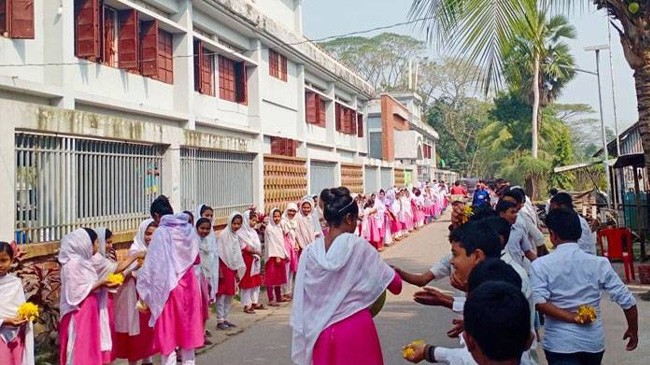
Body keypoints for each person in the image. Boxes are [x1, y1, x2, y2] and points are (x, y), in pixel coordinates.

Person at [291, 187, 402, 365]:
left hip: (320, 331)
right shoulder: (358, 246)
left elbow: (302, 296)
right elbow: (396, 286)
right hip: (357, 329)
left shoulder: (310, 252)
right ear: (349, 218)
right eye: (356, 219)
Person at [531, 208, 638, 365]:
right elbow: (627, 300)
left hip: (559, 344)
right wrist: (633, 329)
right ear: (580, 233)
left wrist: (572, 317)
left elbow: (539, 302)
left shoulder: (540, 265)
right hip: (592, 343)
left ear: (552, 236)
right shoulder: (598, 263)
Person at [405, 260, 533, 365]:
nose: (452, 261)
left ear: (468, 341)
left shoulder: (467, 358)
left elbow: (462, 358)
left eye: (455, 254)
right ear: (529, 339)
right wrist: (427, 351)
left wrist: (427, 351)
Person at [136, 196, 204, 365]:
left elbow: (155, 266)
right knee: (187, 332)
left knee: (169, 335)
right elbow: (196, 259)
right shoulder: (188, 229)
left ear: (157, 216)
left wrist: (145, 289)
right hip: (190, 285)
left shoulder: (162, 232)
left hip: (169, 288)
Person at [59, 228, 119, 365]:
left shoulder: (83, 262)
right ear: (84, 244)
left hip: (89, 310)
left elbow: (88, 285)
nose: (98, 246)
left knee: (90, 347)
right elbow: (75, 292)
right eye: (96, 242)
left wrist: (103, 285)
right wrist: (102, 282)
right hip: (79, 312)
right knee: (80, 349)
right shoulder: (73, 264)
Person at [113, 220, 158, 365]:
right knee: (136, 330)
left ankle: (147, 358)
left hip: (150, 295)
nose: (150, 237)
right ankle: (134, 361)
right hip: (135, 296)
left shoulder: (158, 249)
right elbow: (129, 272)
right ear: (141, 233)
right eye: (148, 233)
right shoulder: (135, 250)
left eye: (154, 234)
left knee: (148, 329)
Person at [0, 241, 34, 365]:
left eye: (4, 260)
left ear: (12, 260)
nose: (0, 265)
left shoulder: (15, 283)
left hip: (16, 334)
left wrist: (26, 316)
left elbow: (21, 307)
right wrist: (5, 321)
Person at [215, 212, 246, 330]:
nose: (236, 226)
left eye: (239, 224)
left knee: (230, 294)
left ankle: (226, 318)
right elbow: (219, 253)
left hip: (232, 268)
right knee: (221, 295)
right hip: (223, 267)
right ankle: (219, 319)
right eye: (234, 223)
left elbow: (236, 254)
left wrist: (237, 269)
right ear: (230, 222)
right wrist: (220, 271)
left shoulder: (235, 236)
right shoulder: (223, 235)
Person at [237, 211, 264, 314]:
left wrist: (257, 253)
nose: (254, 223)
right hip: (247, 259)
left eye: (255, 221)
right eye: (252, 220)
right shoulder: (241, 233)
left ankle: (254, 301)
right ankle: (246, 304)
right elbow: (244, 247)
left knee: (255, 282)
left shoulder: (253, 232)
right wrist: (255, 252)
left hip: (255, 259)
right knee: (247, 282)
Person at [195, 218, 219, 323]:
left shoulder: (209, 240)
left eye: (207, 229)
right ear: (196, 228)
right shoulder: (193, 242)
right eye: (202, 228)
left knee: (205, 304)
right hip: (196, 277)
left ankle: (203, 330)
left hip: (207, 276)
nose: (205, 231)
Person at [264, 208, 289, 307]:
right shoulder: (269, 228)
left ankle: (279, 296)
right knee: (271, 278)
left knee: (279, 277)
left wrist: (284, 254)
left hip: (280, 254)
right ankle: (271, 298)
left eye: (278, 216)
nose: (276, 218)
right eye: (274, 216)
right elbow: (272, 243)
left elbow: (281, 242)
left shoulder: (279, 227)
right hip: (272, 255)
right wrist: (277, 256)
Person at [282, 204, 300, 300]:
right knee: (285, 270)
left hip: (293, 248)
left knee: (291, 270)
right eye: (290, 211)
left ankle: (289, 291)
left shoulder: (295, 222)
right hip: (285, 248)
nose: (292, 213)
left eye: (294, 211)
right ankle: (284, 291)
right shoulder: (283, 222)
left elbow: (295, 236)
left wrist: (296, 244)